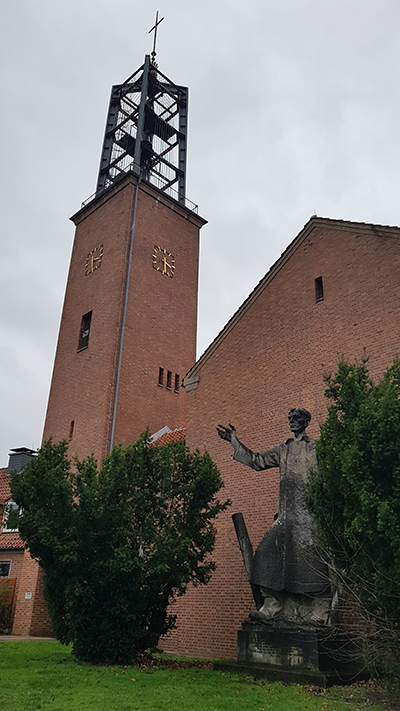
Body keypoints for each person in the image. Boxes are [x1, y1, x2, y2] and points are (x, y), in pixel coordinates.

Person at [217, 408, 331, 625]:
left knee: (314, 562)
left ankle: (318, 612)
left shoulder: (316, 448)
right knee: (266, 553)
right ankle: (272, 606)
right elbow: (257, 461)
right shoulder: (283, 449)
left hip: (310, 517)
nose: (292, 422)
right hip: (286, 518)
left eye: (297, 418)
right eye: (290, 419)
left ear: (306, 422)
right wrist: (234, 441)